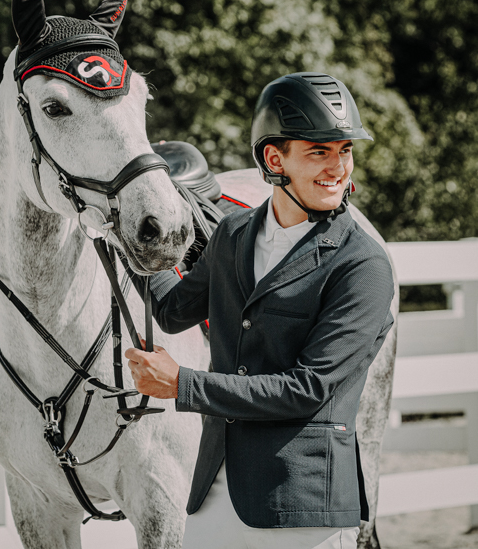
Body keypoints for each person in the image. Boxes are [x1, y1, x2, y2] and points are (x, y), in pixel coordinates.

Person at [124, 72, 395, 549]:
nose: (338, 167)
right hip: (213, 494)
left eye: (344, 151)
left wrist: (180, 384)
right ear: (274, 158)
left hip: (303, 505)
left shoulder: (363, 264)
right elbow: (170, 310)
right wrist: (134, 236)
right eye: (319, 151)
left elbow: (307, 389)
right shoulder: (233, 234)